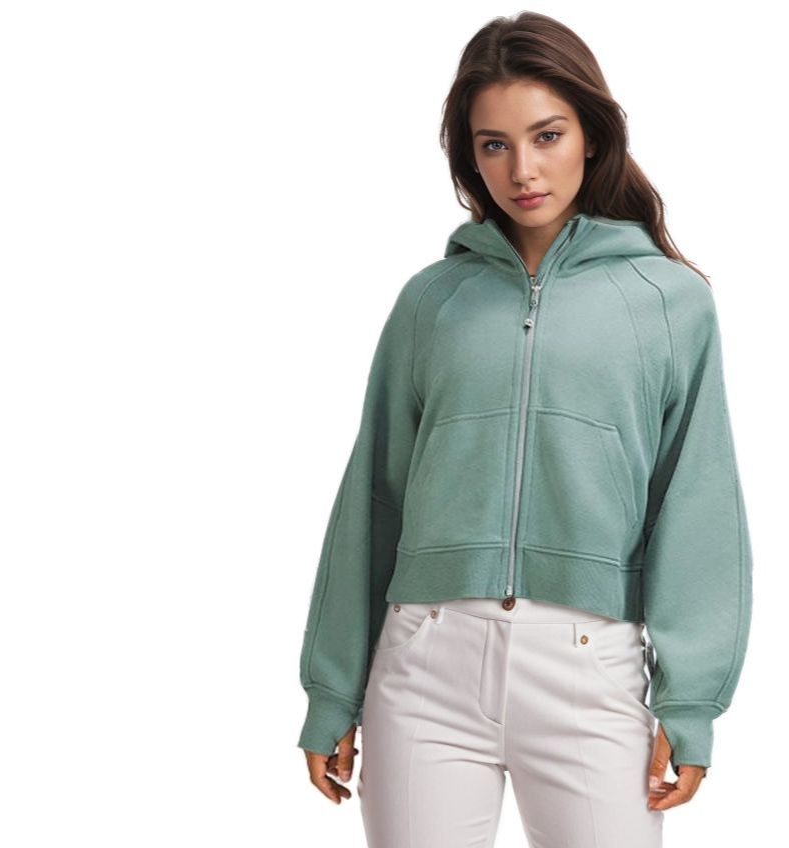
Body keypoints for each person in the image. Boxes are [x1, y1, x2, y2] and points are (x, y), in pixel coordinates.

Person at [297, 11, 753, 846]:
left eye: (546, 135)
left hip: (586, 667)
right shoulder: (431, 301)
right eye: (493, 144)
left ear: (592, 134)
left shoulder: (668, 301)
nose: (523, 169)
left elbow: (697, 502)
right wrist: (332, 691)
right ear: (468, 156)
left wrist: (689, 701)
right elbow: (373, 498)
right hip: (424, 667)